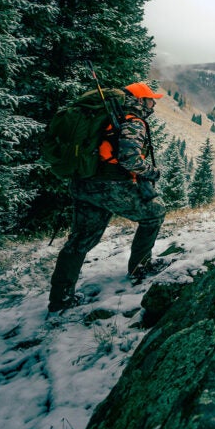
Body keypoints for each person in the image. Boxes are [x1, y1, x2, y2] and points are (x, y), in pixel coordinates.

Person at [48, 82, 167, 313]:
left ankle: (59, 300)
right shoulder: (132, 121)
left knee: (79, 240)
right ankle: (139, 269)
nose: (153, 104)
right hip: (112, 186)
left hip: (83, 183)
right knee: (154, 213)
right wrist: (153, 172)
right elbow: (129, 159)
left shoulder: (103, 117)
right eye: (151, 99)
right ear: (139, 100)